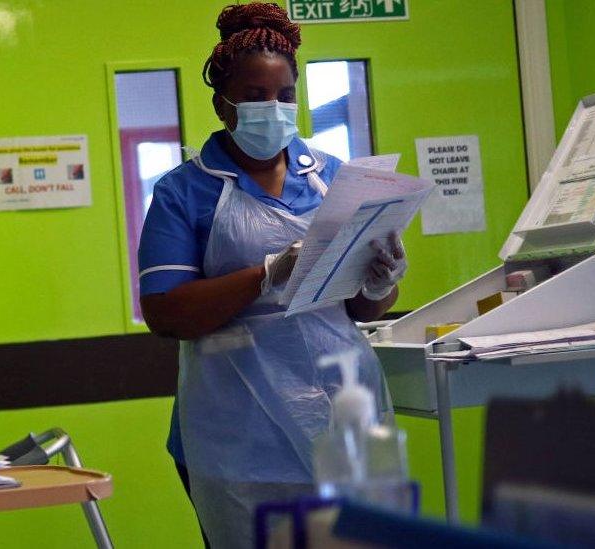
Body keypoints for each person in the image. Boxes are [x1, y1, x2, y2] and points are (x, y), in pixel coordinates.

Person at [137, 3, 406, 547]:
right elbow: (166, 314)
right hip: (238, 430)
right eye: (255, 96)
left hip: (344, 418)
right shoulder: (185, 191)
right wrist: (265, 274)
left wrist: (380, 282)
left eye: (284, 96)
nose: (273, 108)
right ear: (222, 103)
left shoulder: (337, 179)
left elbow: (356, 308)